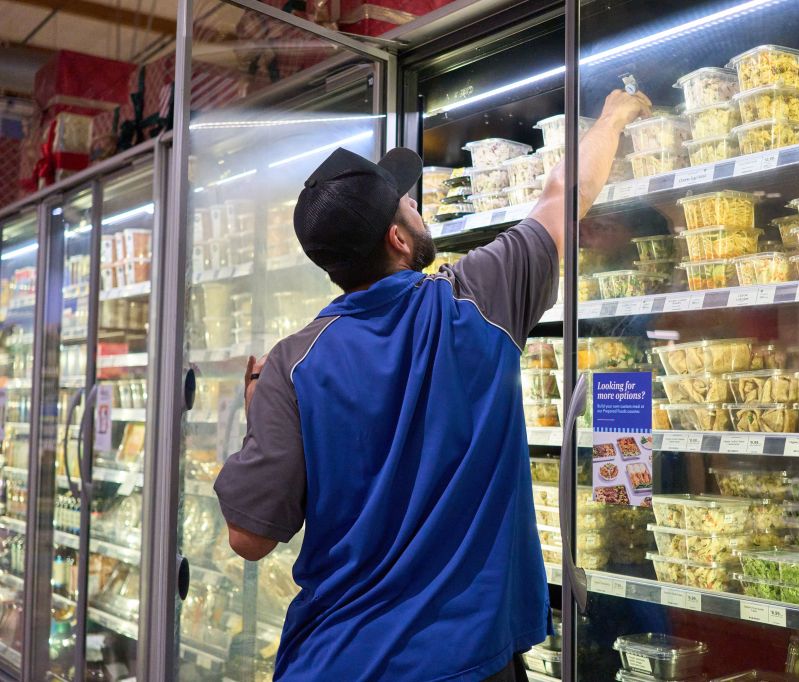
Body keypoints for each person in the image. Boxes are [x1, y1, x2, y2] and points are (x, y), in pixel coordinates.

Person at [214, 89, 652, 681]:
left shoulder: (291, 366)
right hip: (467, 661)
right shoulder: (474, 301)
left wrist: (256, 413)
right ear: (397, 239)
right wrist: (615, 116)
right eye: (407, 203)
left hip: (337, 658)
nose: (417, 204)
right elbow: (564, 194)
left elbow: (249, 538)